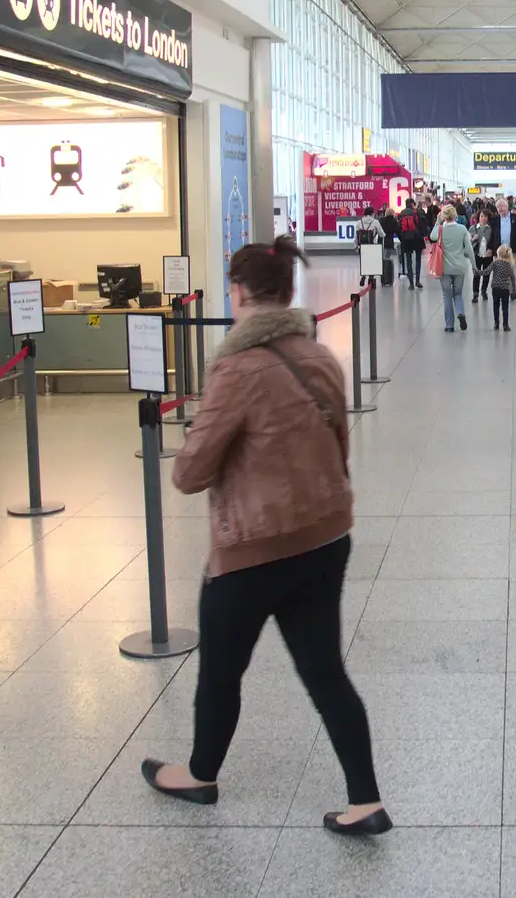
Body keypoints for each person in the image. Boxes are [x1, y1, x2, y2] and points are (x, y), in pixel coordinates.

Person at [146, 239, 390, 837]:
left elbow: (189, 472)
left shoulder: (236, 369)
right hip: (326, 537)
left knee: (221, 674)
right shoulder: (321, 357)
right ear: (290, 293)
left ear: (237, 293)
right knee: (326, 672)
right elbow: (338, 447)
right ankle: (365, 799)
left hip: (252, 551)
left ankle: (201, 774)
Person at [431, 204, 472, 332]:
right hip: (460, 267)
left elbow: (432, 237)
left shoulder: (441, 229)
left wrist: (438, 221)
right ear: (454, 215)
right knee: (458, 293)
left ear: (443, 215)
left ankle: (449, 325)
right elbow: (469, 249)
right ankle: (460, 312)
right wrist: (474, 265)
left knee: (447, 295)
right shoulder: (462, 229)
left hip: (444, 267)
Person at [396, 199, 424, 289]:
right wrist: (421, 235)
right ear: (412, 204)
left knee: (408, 260)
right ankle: (418, 281)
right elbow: (422, 224)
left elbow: (398, 228)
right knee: (418, 259)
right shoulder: (417, 212)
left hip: (406, 239)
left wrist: (402, 238)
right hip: (417, 238)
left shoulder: (401, 214)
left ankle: (411, 283)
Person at [490, 244, 516, 332]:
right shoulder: (509, 265)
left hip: (496, 288)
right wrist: (514, 290)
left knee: (495, 305)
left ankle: (496, 323)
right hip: (505, 289)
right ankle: (505, 325)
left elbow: (486, 272)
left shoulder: (495, 263)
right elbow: (513, 278)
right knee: (505, 307)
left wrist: (477, 272)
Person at [470, 210, 494, 304]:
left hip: (488, 255)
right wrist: (473, 239)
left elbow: (493, 240)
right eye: (482, 216)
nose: (483, 218)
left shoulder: (491, 228)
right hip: (477, 255)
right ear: (478, 217)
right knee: (476, 274)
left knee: (486, 274)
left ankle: (484, 291)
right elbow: (468, 242)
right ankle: (475, 293)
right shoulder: (473, 228)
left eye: (485, 216)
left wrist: (491, 249)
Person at [378, 205, 401, 287]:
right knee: (387, 258)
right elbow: (397, 232)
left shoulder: (381, 220)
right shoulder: (394, 221)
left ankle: (383, 277)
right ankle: (388, 277)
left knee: (383, 259)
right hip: (389, 242)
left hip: (382, 242)